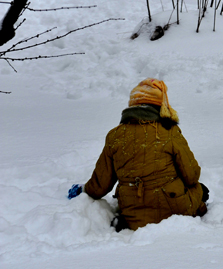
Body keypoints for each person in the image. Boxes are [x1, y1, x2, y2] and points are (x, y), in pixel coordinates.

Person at [67, 78, 209, 231]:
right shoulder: (170, 132)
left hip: (133, 215)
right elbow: (192, 175)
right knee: (200, 189)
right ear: (160, 106)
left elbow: (101, 185)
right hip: (174, 210)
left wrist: (83, 190)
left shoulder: (114, 136)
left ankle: (123, 221)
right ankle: (198, 209)